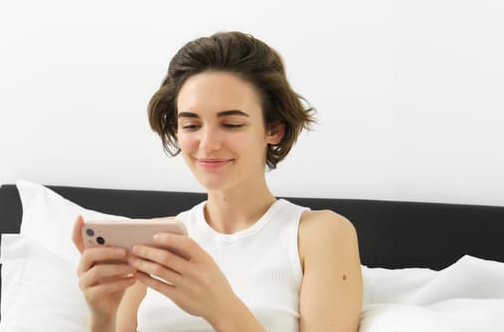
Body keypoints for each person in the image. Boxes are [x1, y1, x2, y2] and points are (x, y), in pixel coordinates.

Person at [71, 31, 362, 332]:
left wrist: (219, 306)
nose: (207, 144)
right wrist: (102, 317)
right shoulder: (154, 242)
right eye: (191, 125)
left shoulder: (319, 235)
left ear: (274, 129)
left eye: (231, 124)